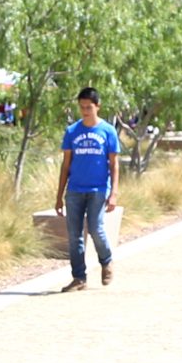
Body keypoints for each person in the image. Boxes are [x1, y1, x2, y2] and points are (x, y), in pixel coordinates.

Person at [56, 87, 121, 292]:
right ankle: (79, 277)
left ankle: (106, 260)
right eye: (82, 107)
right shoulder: (72, 132)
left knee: (95, 228)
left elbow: (114, 164)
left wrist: (114, 193)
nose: (85, 111)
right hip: (75, 189)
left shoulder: (108, 131)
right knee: (74, 235)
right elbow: (66, 164)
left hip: (98, 189)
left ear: (97, 107)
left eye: (89, 107)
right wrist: (59, 196)